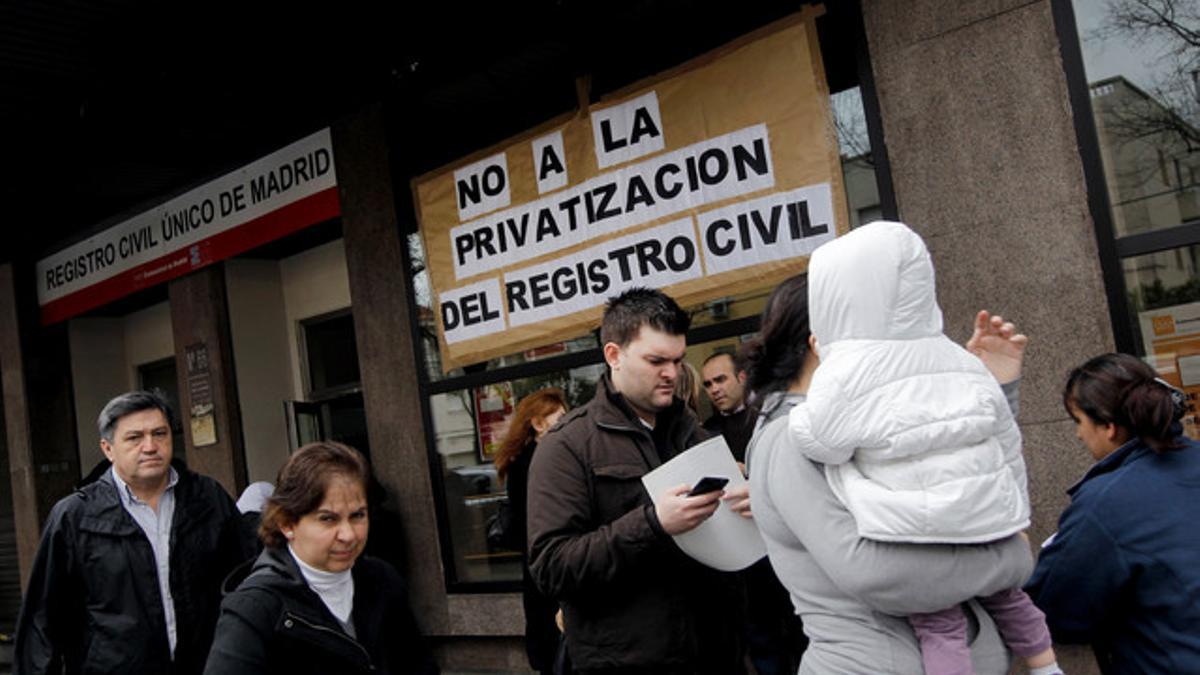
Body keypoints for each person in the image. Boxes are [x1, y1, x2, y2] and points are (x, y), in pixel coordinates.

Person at [784, 221, 1058, 675]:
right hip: (987, 521)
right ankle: (1046, 664)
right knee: (1013, 601)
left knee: (940, 627)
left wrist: (798, 415)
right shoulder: (958, 358)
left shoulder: (845, 370)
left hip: (915, 531)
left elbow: (822, 442)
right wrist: (1014, 513)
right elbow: (1005, 438)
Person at [527, 287, 745, 675]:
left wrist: (753, 504)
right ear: (614, 355)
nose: (672, 374)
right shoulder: (567, 446)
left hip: (717, 653)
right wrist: (653, 523)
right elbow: (552, 566)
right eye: (656, 360)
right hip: (626, 660)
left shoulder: (694, 433)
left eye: (678, 360)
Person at [14, 389, 253, 675]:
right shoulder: (75, 516)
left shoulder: (207, 499)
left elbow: (245, 584)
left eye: (159, 434)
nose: (150, 446)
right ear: (108, 448)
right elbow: (43, 620)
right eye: (134, 437)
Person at [1025, 353, 1200, 672]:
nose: (1079, 434)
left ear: (1108, 426)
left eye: (1078, 421)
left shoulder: (1104, 505)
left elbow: (1056, 613)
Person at [204, 441, 438, 675]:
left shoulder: (383, 581)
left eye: (357, 516)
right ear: (287, 523)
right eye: (328, 519)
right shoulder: (254, 610)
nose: (348, 535)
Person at [494, 388, 568, 675]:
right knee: (553, 645)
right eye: (559, 417)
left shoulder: (529, 460)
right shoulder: (536, 462)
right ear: (539, 424)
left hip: (540, 567)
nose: (566, 423)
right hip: (546, 567)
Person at [701, 352, 755, 463]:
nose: (714, 389)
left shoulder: (766, 417)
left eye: (720, 380)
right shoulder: (707, 431)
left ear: (742, 378)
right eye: (708, 384)